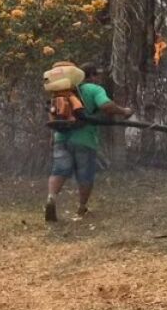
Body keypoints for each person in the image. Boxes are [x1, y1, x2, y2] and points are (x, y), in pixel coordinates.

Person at [45, 62, 134, 222]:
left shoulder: (61, 92)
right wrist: (123, 111)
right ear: (91, 76)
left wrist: (54, 138)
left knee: (59, 171)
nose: (98, 78)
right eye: (97, 74)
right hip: (84, 140)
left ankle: (51, 198)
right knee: (85, 175)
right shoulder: (94, 89)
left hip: (61, 136)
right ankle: (81, 207)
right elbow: (105, 105)